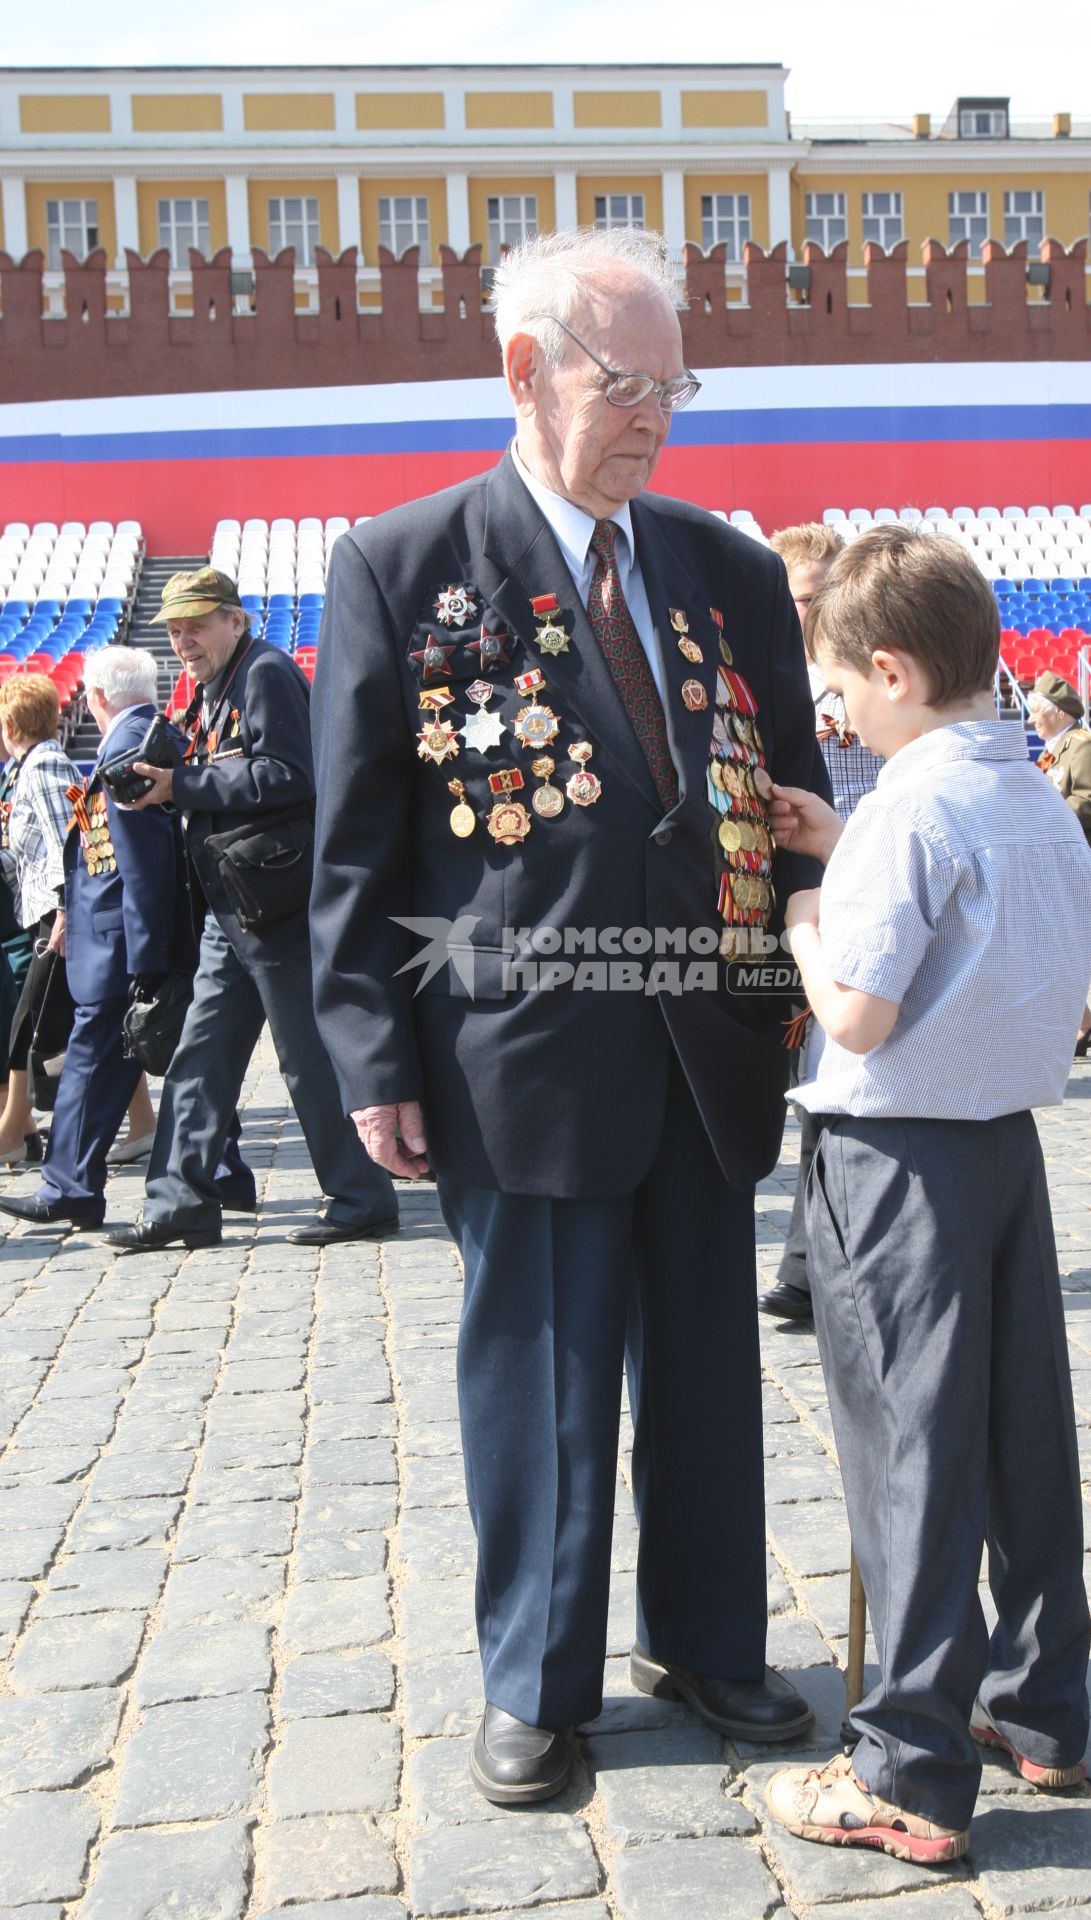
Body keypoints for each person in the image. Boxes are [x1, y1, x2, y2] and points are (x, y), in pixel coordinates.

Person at [310, 225, 828, 1807]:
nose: (658, 415)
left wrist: (794, 980)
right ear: (526, 372)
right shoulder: (402, 563)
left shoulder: (732, 570)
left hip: (706, 1040)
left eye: (677, 385)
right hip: (514, 1057)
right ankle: (536, 1678)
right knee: (537, 1376)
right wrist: (368, 1060)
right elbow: (355, 843)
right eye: (628, 383)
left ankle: (712, 1644)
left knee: (703, 1369)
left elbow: (785, 800)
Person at [761, 527, 1091, 1865]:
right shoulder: (1023, 785)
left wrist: (806, 907)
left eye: (838, 686)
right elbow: (971, 897)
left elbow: (856, 1004)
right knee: (1024, 1439)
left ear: (893, 671)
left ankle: (906, 1763)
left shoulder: (906, 804)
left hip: (897, 1160)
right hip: (1003, 1151)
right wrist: (851, 841)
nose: (831, 709)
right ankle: (1042, 1706)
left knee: (907, 1453)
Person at [102, 567, 396, 1253]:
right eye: (174, 630)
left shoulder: (263, 673)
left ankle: (361, 1196)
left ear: (235, 619)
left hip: (277, 905)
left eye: (197, 625)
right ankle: (181, 1202)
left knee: (306, 1059)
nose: (184, 640)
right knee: (198, 1056)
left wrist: (186, 782)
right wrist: (171, 785)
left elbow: (293, 774)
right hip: (233, 908)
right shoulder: (215, 686)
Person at [0, 651, 190, 1230]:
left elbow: (138, 863)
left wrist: (145, 957)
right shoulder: (152, 734)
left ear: (97, 697)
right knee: (190, 1059)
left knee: (90, 1063)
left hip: (120, 944)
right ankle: (220, 1169)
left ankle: (69, 1189)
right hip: (125, 937)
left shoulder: (128, 746)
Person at [760, 523, 885, 1327]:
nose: (812, 610)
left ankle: (813, 1265)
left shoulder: (867, 679)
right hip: (779, 899)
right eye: (801, 596)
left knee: (834, 1085)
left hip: (860, 890)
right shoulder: (766, 685)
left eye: (821, 592)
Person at [0, 673, 78, 1167]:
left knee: (32, 1025)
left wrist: (67, 913)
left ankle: (12, 1131)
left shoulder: (45, 764)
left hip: (55, 917)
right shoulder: (31, 765)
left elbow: (65, 843)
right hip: (42, 913)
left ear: (11, 723)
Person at [1027, 669, 1091, 1057]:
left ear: (1057, 711)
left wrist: (1043, 813)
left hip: (1073, 866)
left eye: (1035, 712)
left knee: (1056, 949)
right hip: (1050, 864)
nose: (1030, 720)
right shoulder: (1055, 749)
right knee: (1047, 947)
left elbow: (1089, 803)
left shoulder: (1085, 746)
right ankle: (1082, 1024)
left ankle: (1081, 1024)